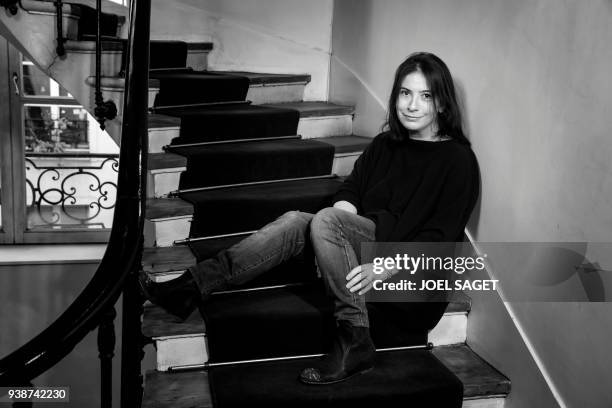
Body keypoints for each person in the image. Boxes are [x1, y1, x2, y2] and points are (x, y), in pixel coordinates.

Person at [140, 51, 479, 385]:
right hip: (363, 254)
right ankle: (191, 286)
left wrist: (382, 263)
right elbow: (352, 191)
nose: (412, 105)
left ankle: (355, 338)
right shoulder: (385, 144)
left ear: (442, 104)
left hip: (411, 277)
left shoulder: (457, 160)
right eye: (405, 93)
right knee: (295, 221)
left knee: (325, 222)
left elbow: (441, 238)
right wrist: (334, 230)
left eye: (425, 96)